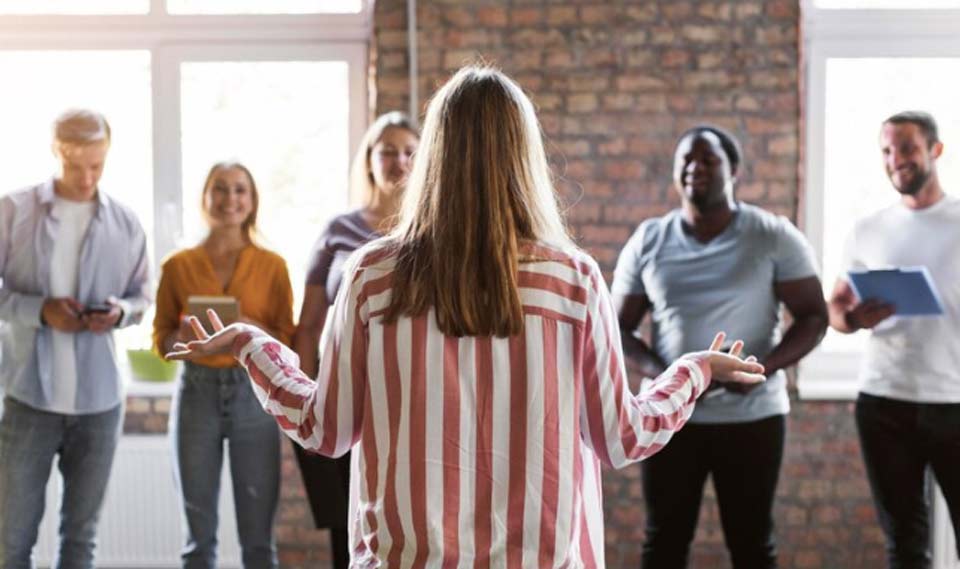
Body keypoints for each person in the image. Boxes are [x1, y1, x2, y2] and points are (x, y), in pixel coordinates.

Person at [165, 66, 767, 568]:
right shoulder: (573, 279)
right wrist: (693, 371)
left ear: (433, 155)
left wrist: (250, 346)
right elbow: (623, 437)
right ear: (524, 157)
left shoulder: (372, 275)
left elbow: (325, 428)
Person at [612, 125, 828, 569]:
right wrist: (673, 377)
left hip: (753, 418)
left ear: (735, 171)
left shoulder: (773, 235)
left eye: (708, 159)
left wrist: (763, 369)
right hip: (670, 418)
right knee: (663, 544)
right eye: (686, 161)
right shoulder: (649, 240)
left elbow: (814, 317)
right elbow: (619, 329)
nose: (695, 168)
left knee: (752, 547)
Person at [0, 109, 151, 568]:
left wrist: (121, 312)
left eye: (97, 166)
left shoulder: (126, 224)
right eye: (75, 166)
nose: (87, 178)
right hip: (28, 399)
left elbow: (143, 295)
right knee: (10, 541)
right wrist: (37, 310)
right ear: (56, 153)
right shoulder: (12, 211)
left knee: (81, 541)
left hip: (99, 404)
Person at [827, 111, 960, 569]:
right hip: (884, 402)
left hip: (953, 400)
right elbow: (836, 310)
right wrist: (853, 318)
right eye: (886, 150)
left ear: (935, 150)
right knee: (904, 543)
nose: (895, 160)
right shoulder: (868, 229)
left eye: (906, 148)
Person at [152, 162, 295, 569]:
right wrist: (179, 340)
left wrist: (251, 328)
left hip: (255, 393)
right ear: (205, 198)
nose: (229, 199)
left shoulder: (273, 266)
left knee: (257, 539)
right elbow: (160, 339)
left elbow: (286, 342)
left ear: (251, 201)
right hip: (196, 392)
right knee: (198, 538)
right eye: (220, 189)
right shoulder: (177, 267)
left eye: (239, 190)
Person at [291, 111, 418, 569]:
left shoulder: (431, 230)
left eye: (409, 152)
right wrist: (310, 399)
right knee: (345, 527)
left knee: (402, 524)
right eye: (387, 151)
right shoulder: (338, 230)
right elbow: (307, 325)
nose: (398, 162)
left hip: (405, 402)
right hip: (343, 397)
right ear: (368, 160)